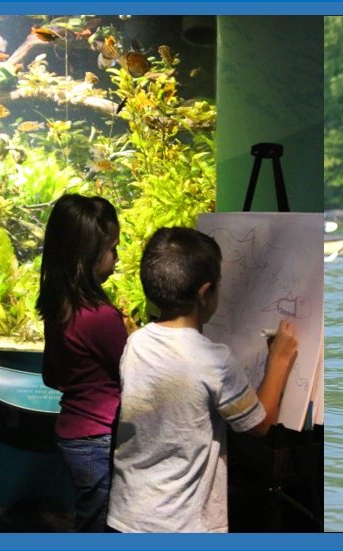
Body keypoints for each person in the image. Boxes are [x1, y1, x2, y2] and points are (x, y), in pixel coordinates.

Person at [107, 227, 298, 532]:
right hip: (182, 524)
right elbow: (260, 425)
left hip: (128, 515)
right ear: (205, 293)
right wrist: (279, 360)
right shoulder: (214, 360)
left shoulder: (137, 343)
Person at [35, 194, 124, 533]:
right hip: (99, 438)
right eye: (113, 248)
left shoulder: (59, 308)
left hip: (74, 432)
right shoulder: (100, 317)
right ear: (89, 254)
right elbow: (133, 374)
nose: (117, 257)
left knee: (90, 516)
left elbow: (52, 375)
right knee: (100, 523)